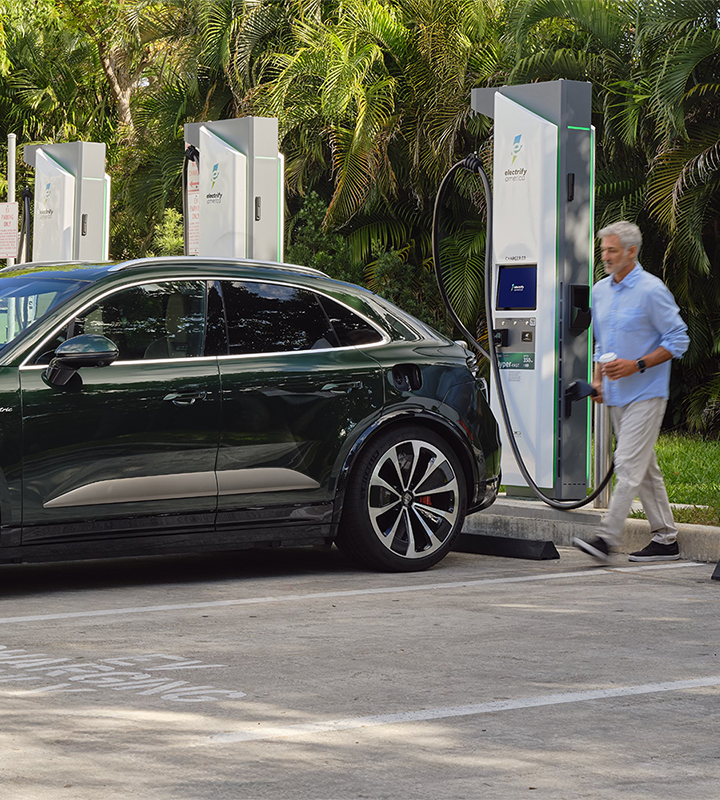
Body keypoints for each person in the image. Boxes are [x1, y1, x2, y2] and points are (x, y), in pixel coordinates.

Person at [573, 221, 689, 563]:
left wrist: (636, 365)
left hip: (647, 392)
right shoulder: (600, 291)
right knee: (644, 468)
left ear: (631, 251)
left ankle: (605, 539)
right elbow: (601, 343)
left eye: (611, 250)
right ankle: (666, 539)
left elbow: (678, 339)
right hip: (616, 396)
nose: (605, 256)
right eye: (604, 250)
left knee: (626, 463)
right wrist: (598, 382)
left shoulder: (652, 291)